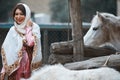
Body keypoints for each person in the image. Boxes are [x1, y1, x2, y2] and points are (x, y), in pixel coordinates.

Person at [0, 3, 42, 80]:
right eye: (16, 14)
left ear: (27, 15)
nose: (18, 17)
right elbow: (8, 52)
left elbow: (30, 43)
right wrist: (3, 70)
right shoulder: (12, 30)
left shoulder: (34, 27)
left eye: (22, 14)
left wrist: (28, 28)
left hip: (29, 66)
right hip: (15, 69)